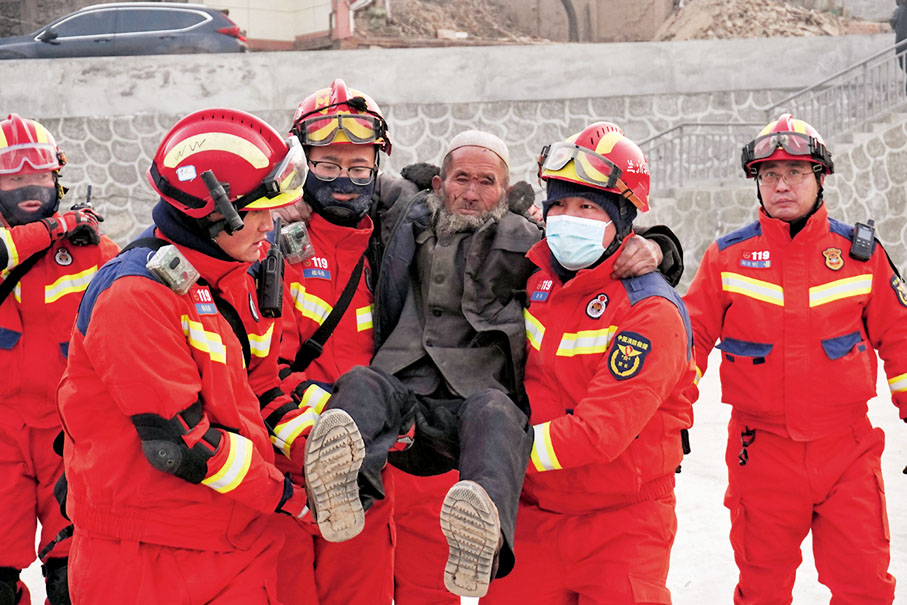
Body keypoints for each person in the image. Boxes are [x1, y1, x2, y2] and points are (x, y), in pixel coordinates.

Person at [303, 126, 683, 599]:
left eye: (487, 182)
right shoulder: (406, 213)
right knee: (360, 384)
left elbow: (605, 248)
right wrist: (291, 201)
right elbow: (348, 175)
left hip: (485, 420)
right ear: (438, 184)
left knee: (492, 420)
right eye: (460, 178)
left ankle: (484, 536)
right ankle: (342, 493)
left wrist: (659, 246)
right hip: (410, 403)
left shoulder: (531, 246)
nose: (471, 192)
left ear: (506, 193)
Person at [55, 108, 355, 603]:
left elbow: (262, 390)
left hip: (236, 539)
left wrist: (311, 456)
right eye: (260, 210)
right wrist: (289, 499)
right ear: (214, 211)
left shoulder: (237, 274)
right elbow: (186, 445)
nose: (271, 223)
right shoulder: (135, 297)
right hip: (147, 560)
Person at [683, 113, 906, 604]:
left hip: (846, 451)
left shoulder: (860, 255)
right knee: (762, 589)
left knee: (866, 587)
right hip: (760, 452)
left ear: (819, 177)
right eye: (769, 176)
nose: (781, 185)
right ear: (757, 184)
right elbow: (689, 342)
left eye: (796, 173)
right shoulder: (726, 258)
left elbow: (901, 339)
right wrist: (667, 421)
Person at [482, 122, 697, 605]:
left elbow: (601, 431)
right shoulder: (537, 278)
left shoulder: (649, 311)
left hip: (621, 526)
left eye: (587, 207)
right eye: (558, 204)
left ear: (622, 219)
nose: (567, 218)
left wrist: (495, 450)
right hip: (534, 514)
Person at [267, 78, 411, 605]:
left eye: (357, 166)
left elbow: (490, 223)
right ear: (302, 165)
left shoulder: (397, 236)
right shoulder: (267, 244)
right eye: (327, 165)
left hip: (368, 467)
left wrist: (657, 249)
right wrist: (329, 424)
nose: (344, 180)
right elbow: (265, 366)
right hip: (285, 465)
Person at [0, 113, 118, 605]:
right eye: (14, 178)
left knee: (75, 574)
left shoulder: (93, 254)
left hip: (69, 436)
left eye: (40, 176)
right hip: (2, 434)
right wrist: (54, 227)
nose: (30, 187)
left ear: (58, 177)